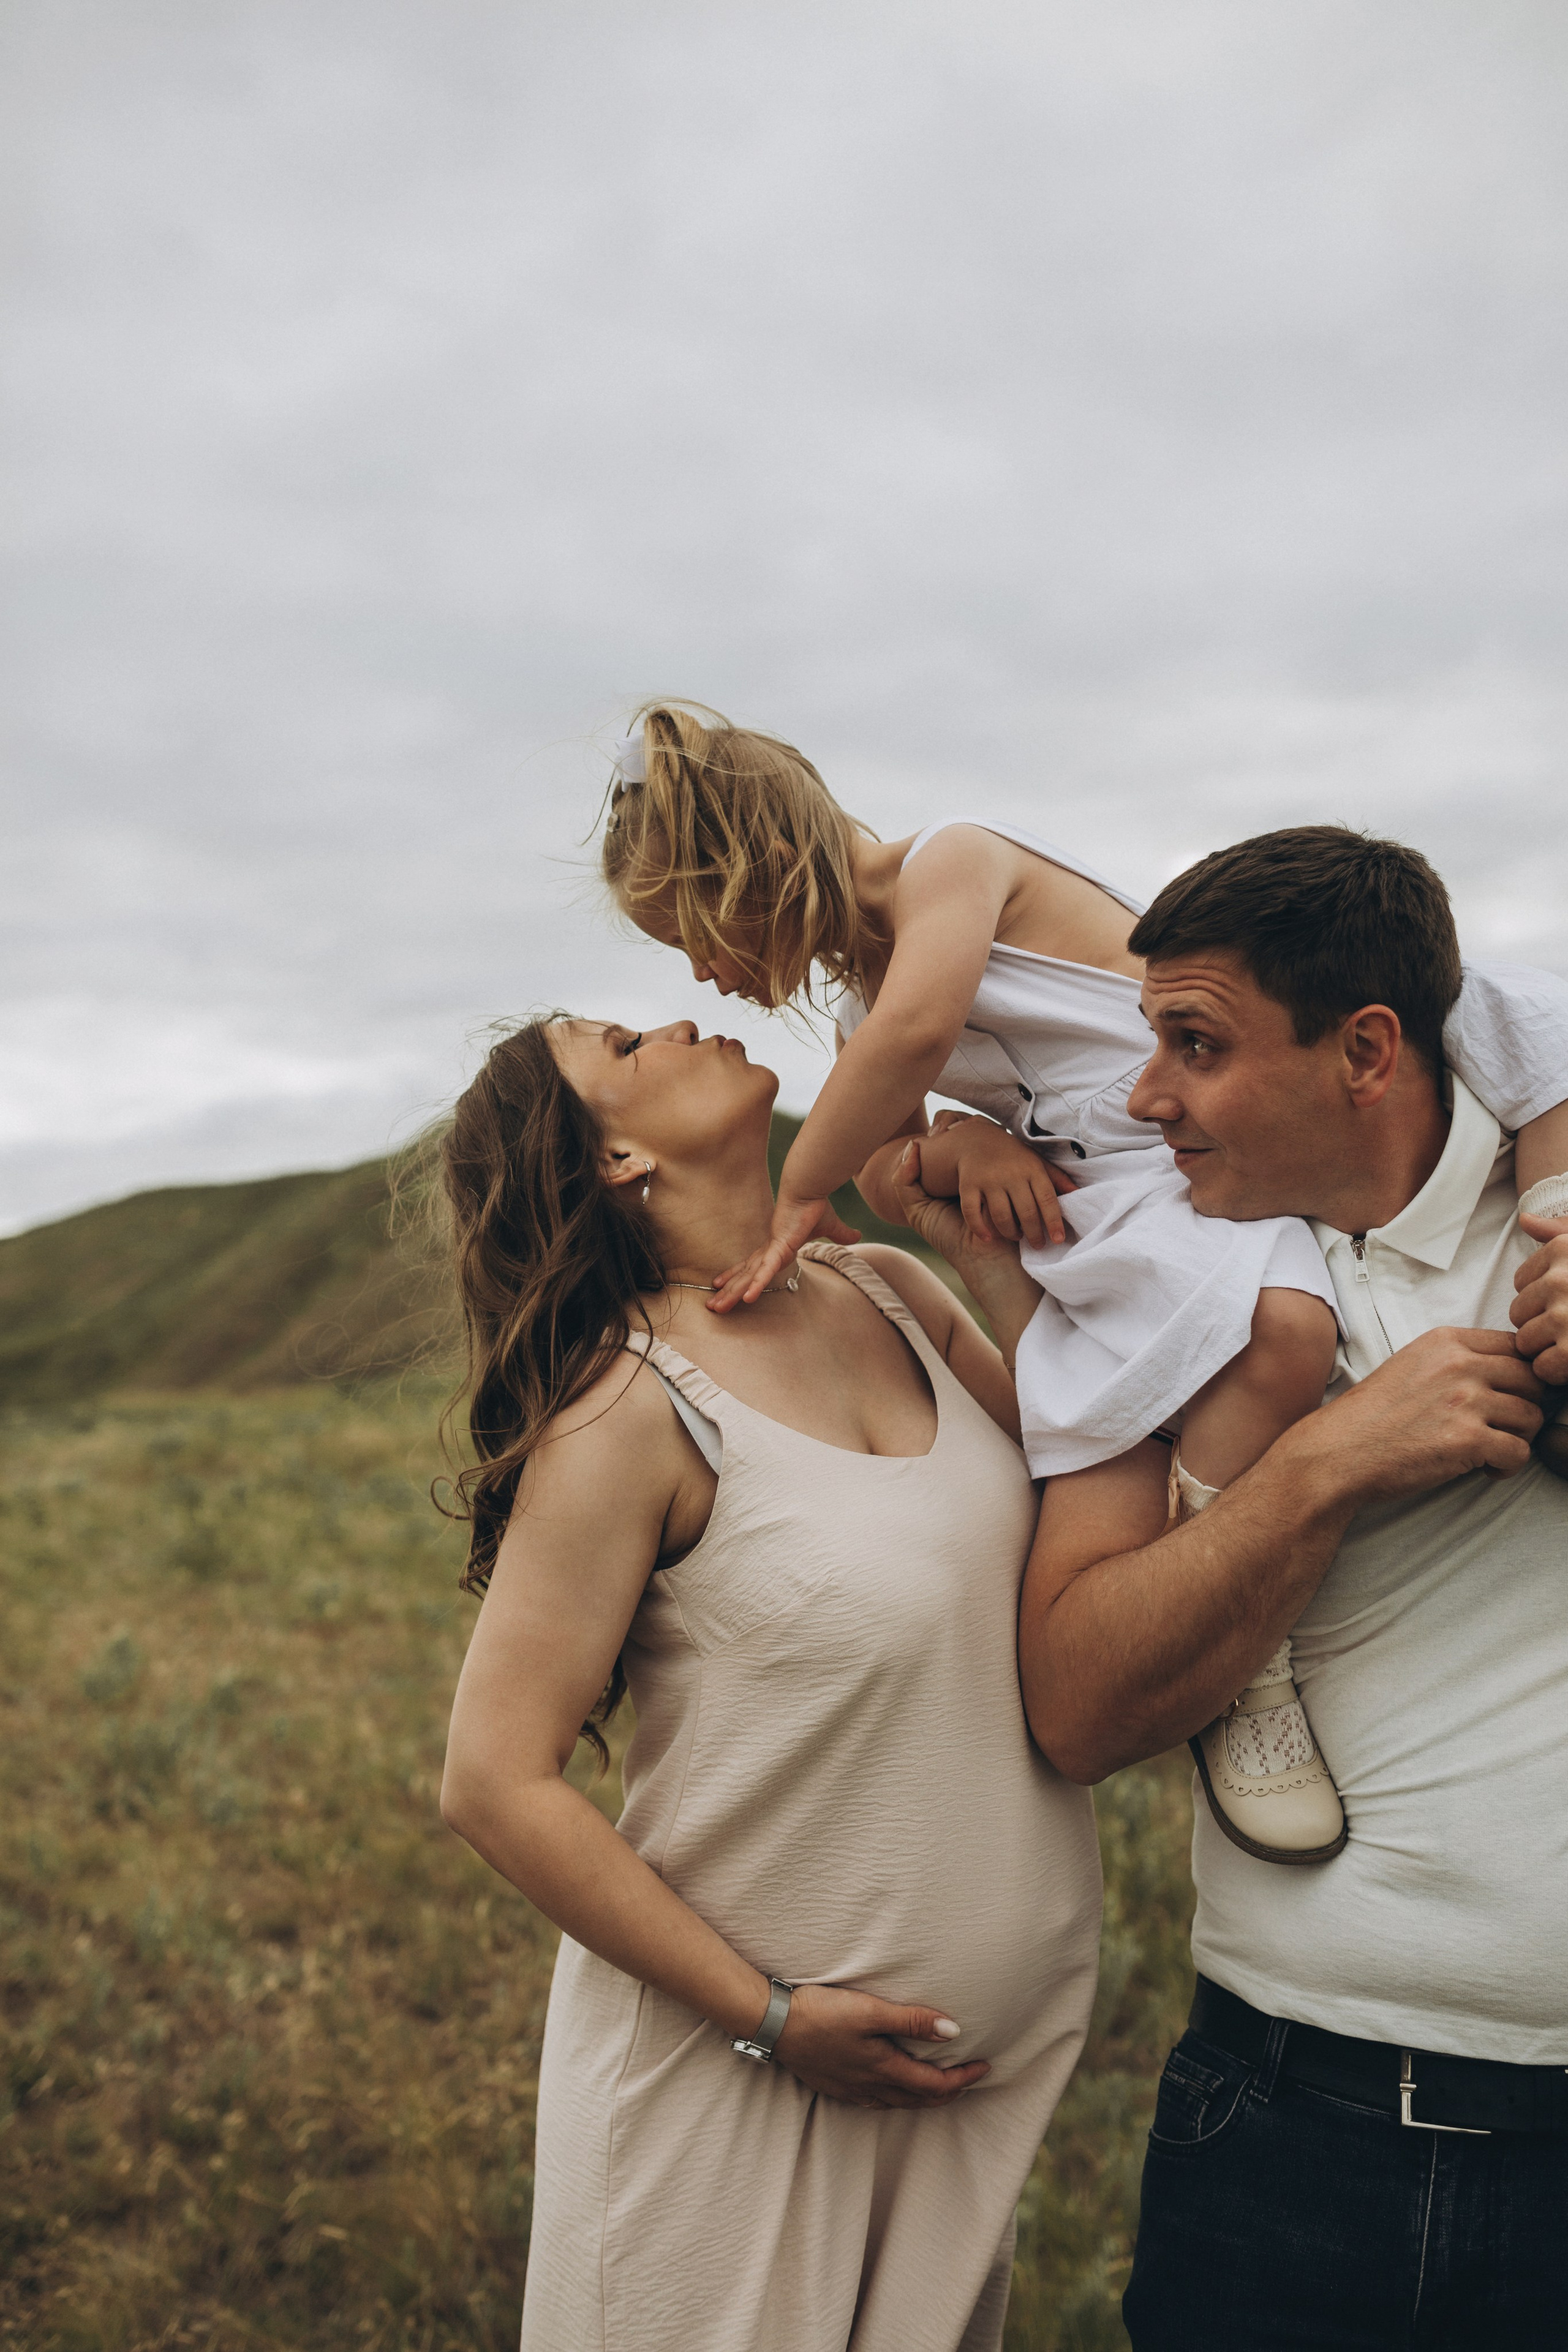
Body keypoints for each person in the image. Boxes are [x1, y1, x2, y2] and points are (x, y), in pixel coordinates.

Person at [600, 703, 1568, 1863]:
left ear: (748, 864)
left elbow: (915, 1035)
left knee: (1280, 1334)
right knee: (1111, 1376)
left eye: (696, 932)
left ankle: (1233, 1619)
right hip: (1102, 1197)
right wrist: (962, 1149)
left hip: (1169, 1170)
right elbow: (890, 1154)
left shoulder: (949, 863)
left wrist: (793, 1189)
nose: (706, 973)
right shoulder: (867, 1005)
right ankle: (1238, 1654)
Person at [435, 1012, 1100, 2352]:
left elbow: (1089, 1485)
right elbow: (493, 1781)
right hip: (729, 2106)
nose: (681, 1018)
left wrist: (980, 1243)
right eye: (625, 1042)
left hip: (955, 2103)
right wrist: (770, 2019)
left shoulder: (889, 1294)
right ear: (614, 1151)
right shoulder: (627, 1409)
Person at [1005, 826, 1568, 2350]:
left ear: (1365, 1052)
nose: (1142, 1098)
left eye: (1195, 1045)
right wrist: (1322, 1470)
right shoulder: (1160, 1280)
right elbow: (1075, 1702)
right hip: (1285, 2126)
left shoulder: (1554, 1202)